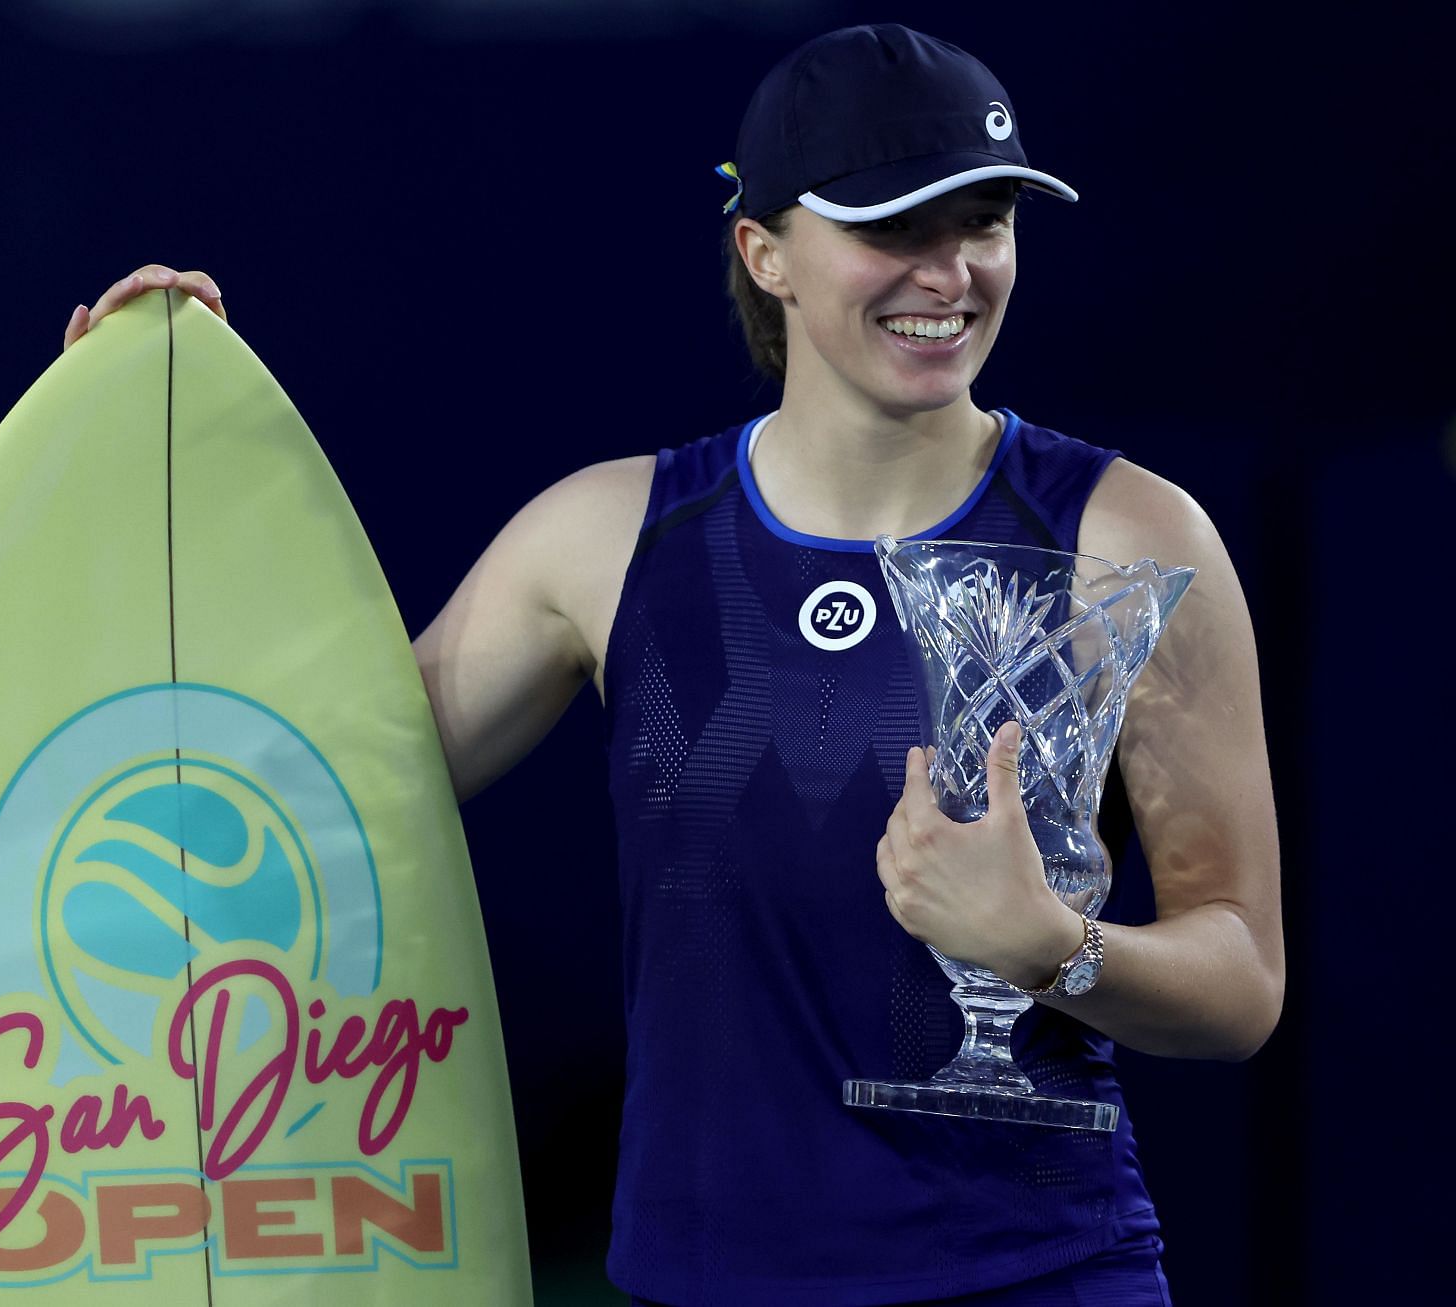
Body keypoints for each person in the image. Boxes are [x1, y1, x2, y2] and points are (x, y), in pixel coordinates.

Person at [62, 23, 1283, 1306]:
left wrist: (1052, 944)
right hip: (702, 1283)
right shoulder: (603, 538)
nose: (952, 270)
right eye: (891, 225)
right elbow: (290, 788)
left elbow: (1241, 980)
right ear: (766, 254)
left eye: (986, 221)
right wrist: (149, 455)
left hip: (1041, 1278)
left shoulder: (1130, 538)